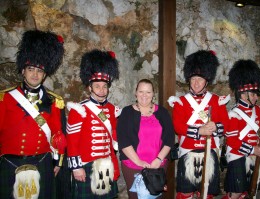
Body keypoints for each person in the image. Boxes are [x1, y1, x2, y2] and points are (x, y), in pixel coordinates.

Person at [0, 30, 67, 199]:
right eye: (31, 69)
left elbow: (58, 134)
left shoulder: (54, 101)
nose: (35, 74)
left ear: (44, 75)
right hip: (10, 164)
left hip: (42, 162)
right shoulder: (5, 98)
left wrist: (57, 162)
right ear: (23, 70)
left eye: (39, 71)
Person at [168, 50, 230, 199]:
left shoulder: (216, 101)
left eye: (200, 79)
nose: (196, 83)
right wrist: (199, 131)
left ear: (206, 81)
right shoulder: (180, 102)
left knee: (206, 193)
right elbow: (178, 126)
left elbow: (227, 125)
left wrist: (216, 127)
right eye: (193, 78)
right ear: (189, 79)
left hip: (210, 152)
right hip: (188, 152)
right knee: (185, 193)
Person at [66, 49, 120, 198]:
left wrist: (114, 163)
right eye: (97, 86)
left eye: (105, 86)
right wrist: (76, 168)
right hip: (86, 166)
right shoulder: (79, 109)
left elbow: (113, 139)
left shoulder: (112, 109)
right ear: (90, 87)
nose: (101, 91)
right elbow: (71, 141)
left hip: (106, 166)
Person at [117, 78, 175, 199]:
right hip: (133, 165)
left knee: (157, 196)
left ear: (153, 94)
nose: (144, 95)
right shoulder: (127, 112)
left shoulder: (162, 112)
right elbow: (123, 141)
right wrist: (139, 162)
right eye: (141, 91)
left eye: (148, 92)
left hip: (158, 165)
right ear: (136, 92)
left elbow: (169, 139)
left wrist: (158, 160)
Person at [223, 59, 260, 199]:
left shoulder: (259, 112)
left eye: (256, 94)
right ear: (244, 94)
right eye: (253, 94)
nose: (256, 97)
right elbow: (232, 142)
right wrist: (253, 149)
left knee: (249, 192)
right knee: (236, 193)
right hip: (238, 156)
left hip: (254, 156)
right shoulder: (233, 114)